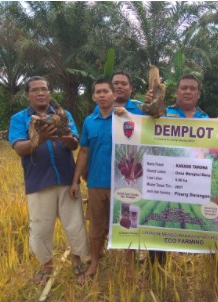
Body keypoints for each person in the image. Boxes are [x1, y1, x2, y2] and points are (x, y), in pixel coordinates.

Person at [8, 76, 89, 286]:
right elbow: (19, 148)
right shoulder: (20, 119)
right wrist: (40, 138)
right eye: (35, 90)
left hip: (66, 178)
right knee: (41, 227)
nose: (41, 93)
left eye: (44, 89)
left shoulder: (63, 114)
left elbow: (74, 145)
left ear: (50, 92)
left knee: (75, 224)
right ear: (27, 95)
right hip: (38, 180)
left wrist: (63, 136)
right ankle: (46, 265)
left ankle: (78, 259)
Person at [70, 74, 145, 283]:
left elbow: (148, 136)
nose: (102, 95)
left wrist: (129, 117)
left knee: (127, 225)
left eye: (106, 91)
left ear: (114, 95)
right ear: (93, 97)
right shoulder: (89, 122)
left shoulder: (129, 117)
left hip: (125, 184)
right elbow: (84, 151)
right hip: (96, 183)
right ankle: (94, 262)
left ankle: (129, 267)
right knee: (96, 226)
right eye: (98, 92)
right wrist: (75, 180)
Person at [144, 74, 208, 265]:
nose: (188, 91)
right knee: (161, 219)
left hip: (192, 180)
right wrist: (147, 106)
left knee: (191, 220)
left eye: (192, 88)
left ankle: (196, 260)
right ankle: (155, 267)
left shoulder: (206, 119)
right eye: (184, 88)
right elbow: (143, 126)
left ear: (198, 94)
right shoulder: (162, 114)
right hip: (165, 180)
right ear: (177, 92)